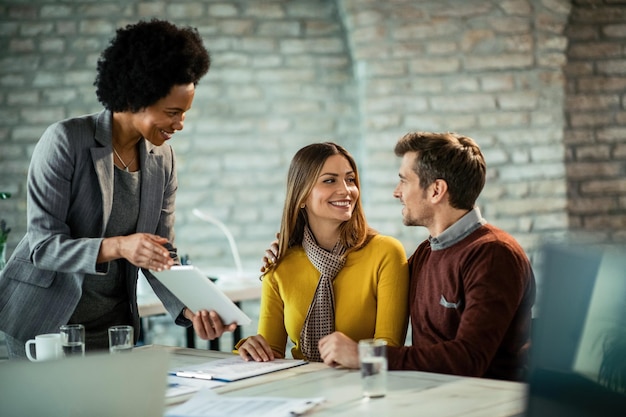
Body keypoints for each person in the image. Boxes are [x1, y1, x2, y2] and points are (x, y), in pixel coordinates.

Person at [0, 19, 236, 359]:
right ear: (136, 97)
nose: (180, 124)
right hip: (46, 325)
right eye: (172, 112)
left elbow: (160, 253)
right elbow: (42, 247)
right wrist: (120, 246)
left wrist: (192, 308)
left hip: (113, 328)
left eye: (184, 113)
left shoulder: (163, 159)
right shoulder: (66, 141)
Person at [264, 132, 536, 381]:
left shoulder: (493, 254)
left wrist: (364, 355)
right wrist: (287, 253)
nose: (397, 192)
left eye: (404, 181)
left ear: (436, 190)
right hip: (434, 397)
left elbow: (469, 359)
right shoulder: (426, 253)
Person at [237, 142, 409, 364]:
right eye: (330, 180)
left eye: (350, 179)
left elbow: (390, 350)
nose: (346, 190)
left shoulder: (385, 253)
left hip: (364, 387)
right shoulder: (280, 263)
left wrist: (356, 354)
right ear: (301, 196)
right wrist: (251, 349)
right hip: (301, 389)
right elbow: (271, 353)